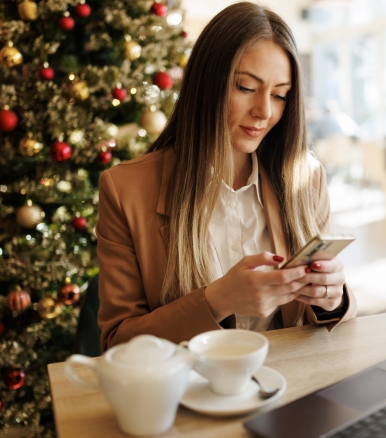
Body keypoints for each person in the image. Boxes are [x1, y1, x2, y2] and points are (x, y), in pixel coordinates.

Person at [96, 1, 357, 352]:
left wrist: (332, 299)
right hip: (193, 394)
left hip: (290, 387)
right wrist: (217, 300)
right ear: (207, 84)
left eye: (280, 94)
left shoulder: (305, 179)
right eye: (246, 87)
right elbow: (118, 342)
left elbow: (329, 320)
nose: (265, 111)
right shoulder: (126, 190)